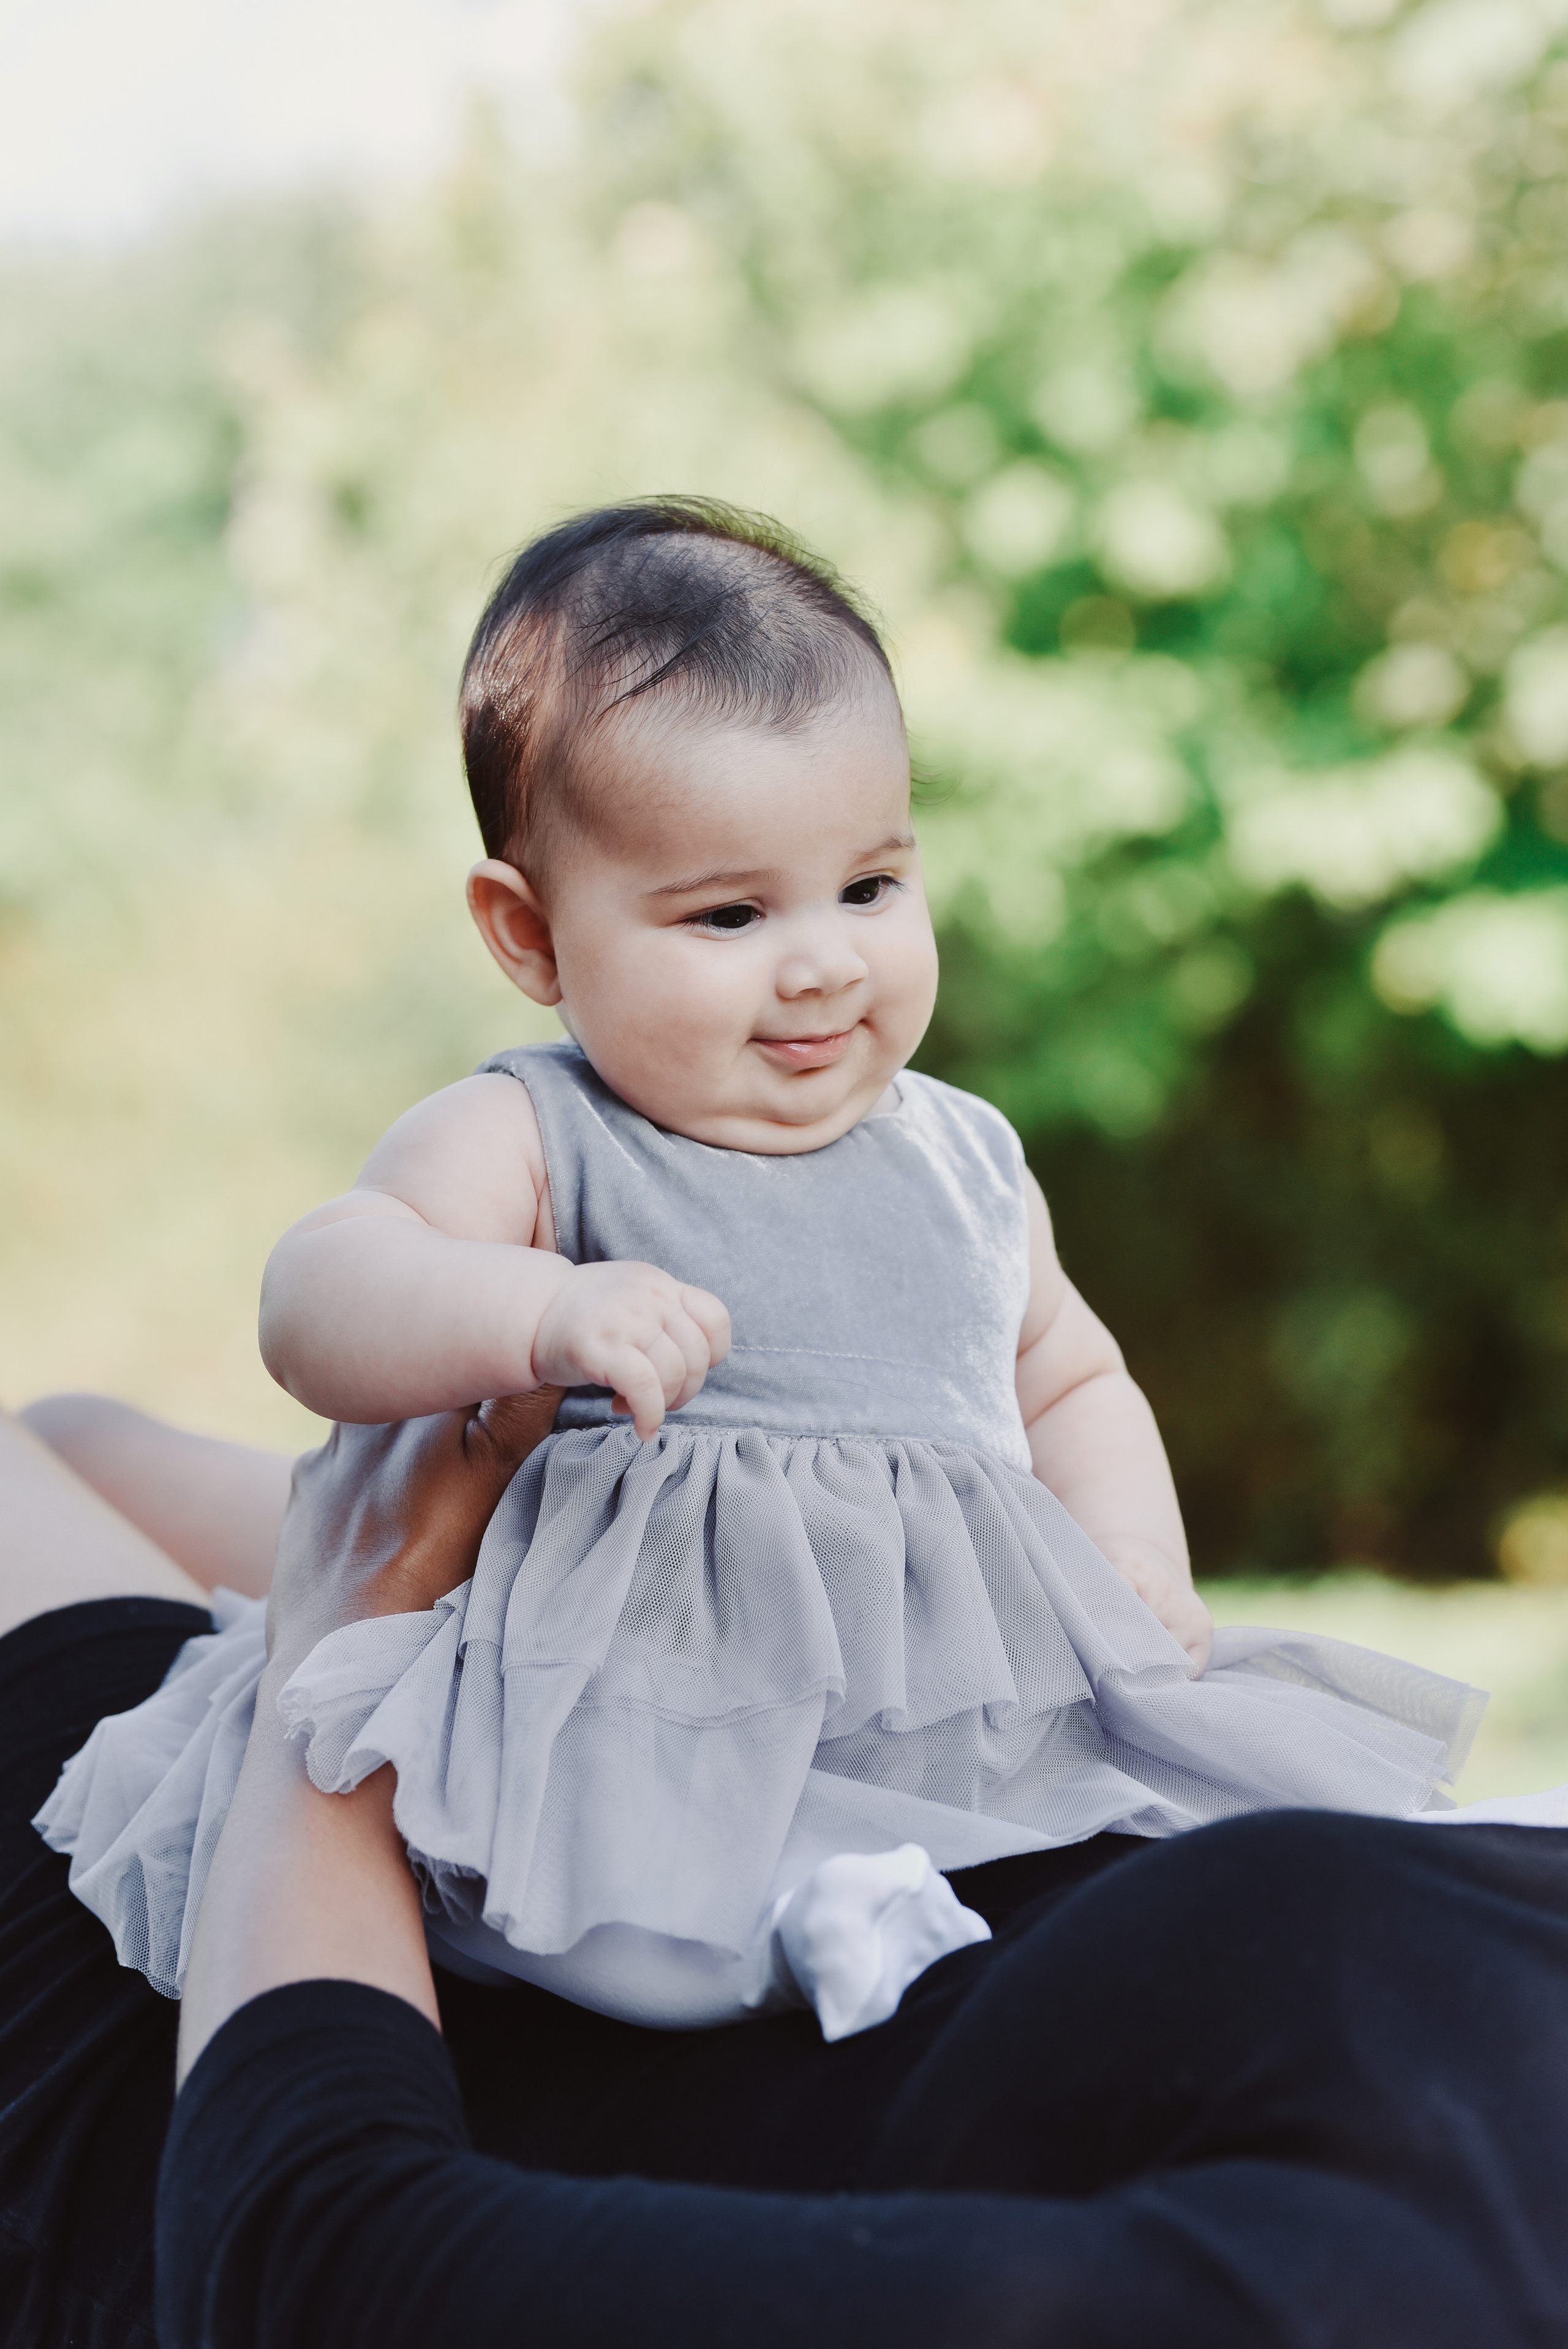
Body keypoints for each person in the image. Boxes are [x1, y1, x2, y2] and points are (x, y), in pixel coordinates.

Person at [37, 499, 1491, 2043]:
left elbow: (1070, 1375)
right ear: (530, 938)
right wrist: (539, 1311)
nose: (821, 961)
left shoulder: (964, 1158)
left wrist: (1132, 1550)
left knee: (1161, 1818)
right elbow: (319, 1294)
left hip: (934, 1685)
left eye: (869, 887)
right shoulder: (539, 1133)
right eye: (728, 914)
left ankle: (942, 1904)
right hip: (641, 1694)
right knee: (597, 1901)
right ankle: (792, 1941)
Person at [4, 1393, 1567, 2349]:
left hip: (227, 1989)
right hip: (730, 1770)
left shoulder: (1363, 2296)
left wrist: (345, 1652)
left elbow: (307, 2265)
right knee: (83, 1441)